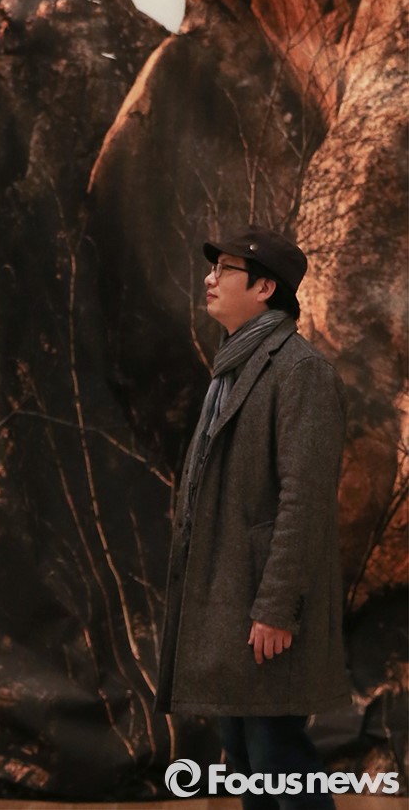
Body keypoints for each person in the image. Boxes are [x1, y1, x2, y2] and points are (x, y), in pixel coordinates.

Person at [153, 225, 351, 809]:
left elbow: (305, 501)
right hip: (231, 605)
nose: (209, 278)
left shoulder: (300, 371)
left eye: (225, 270)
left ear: (265, 288)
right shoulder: (236, 365)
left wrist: (276, 607)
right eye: (212, 268)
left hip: (265, 612)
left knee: (278, 762)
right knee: (246, 760)